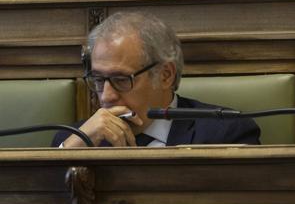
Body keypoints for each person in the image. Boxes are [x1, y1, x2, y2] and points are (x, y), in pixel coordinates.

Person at [52, 12, 260, 147]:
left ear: (165, 75)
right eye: (98, 80)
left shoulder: (226, 136)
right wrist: (70, 153)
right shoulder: (72, 140)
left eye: (121, 79)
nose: (106, 97)